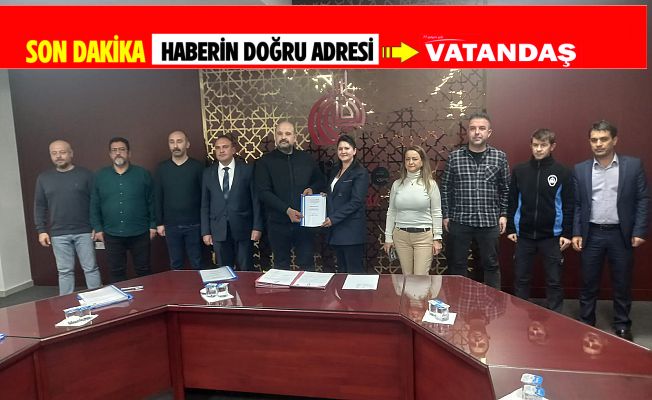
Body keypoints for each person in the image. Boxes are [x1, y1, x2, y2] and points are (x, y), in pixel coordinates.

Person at [572, 120, 649, 341]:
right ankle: (586, 321)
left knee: (622, 282)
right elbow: (577, 204)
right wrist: (576, 232)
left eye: (603, 139)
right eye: (594, 140)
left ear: (614, 140)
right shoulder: (580, 169)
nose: (598, 144)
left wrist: (640, 230)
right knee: (588, 282)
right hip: (592, 233)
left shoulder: (632, 166)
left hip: (621, 234)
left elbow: (643, 199)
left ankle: (622, 324)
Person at [506, 129, 573, 313]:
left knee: (554, 280)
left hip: (551, 236)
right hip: (524, 236)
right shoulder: (520, 171)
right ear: (531, 145)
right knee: (521, 279)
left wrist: (567, 233)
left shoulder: (562, 172)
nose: (538, 149)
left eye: (543, 145)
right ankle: (519, 314)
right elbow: (512, 201)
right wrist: (511, 228)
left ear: (552, 146)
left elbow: (568, 205)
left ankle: (556, 315)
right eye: (535, 145)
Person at [441, 112, 510, 289]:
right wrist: (446, 215)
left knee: (491, 265)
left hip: (489, 220)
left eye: (482, 128)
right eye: (473, 128)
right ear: (467, 132)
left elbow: (505, 188)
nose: (477, 132)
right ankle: (457, 302)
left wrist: (503, 214)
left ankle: (492, 304)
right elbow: (446, 188)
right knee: (457, 265)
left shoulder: (499, 157)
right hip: (460, 220)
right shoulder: (455, 157)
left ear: (489, 132)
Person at [255, 120, 325, 270]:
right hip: (277, 224)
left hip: (304, 223)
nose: (283, 137)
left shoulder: (306, 159)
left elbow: (320, 181)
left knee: (307, 265)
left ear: (294, 138)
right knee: (281, 266)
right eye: (280, 133)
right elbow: (263, 192)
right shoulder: (264, 162)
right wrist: (287, 210)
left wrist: (312, 188)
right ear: (275, 137)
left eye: (288, 134)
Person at [34, 140, 102, 295]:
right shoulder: (44, 178)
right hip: (58, 233)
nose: (58, 156)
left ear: (71, 153)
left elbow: (96, 202)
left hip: (85, 231)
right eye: (54, 153)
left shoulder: (86, 175)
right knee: (64, 271)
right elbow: (39, 206)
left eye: (62, 152)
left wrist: (96, 225)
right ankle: (66, 304)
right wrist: (41, 230)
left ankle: (98, 300)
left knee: (91, 268)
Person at [91, 137, 156, 282]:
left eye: (122, 150)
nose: (118, 153)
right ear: (110, 154)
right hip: (111, 233)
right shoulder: (100, 176)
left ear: (129, 153)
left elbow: (152, 201)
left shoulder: (143, 174)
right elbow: (94, 204)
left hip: (140, 231)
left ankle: (147, 297)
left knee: (143, 270)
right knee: (116, 271)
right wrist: (98, 228)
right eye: (114, 150)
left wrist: (153, 225)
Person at [201, 134, 262, 270]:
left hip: (243, 228)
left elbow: (256, 200)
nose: (221, 150)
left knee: (245, 269)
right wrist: (205, 231)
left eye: (225, 147)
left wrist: (257, 227)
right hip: (218, 229)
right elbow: (204, 205)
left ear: (233, 150)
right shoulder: (208, 173)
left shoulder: (247, 170)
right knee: (224, 271)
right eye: (217, 148)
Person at [384, 145, 443, 275]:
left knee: (420, 277)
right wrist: (388, 237)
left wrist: (437, 237)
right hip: (401, 237)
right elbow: (391, 212)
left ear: (422, 162)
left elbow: (436, 212)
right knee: (407, 276)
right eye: (407, 159)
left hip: (424, 237)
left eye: (415, 159)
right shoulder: (397, 184)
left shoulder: (430, 184)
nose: (411, 162)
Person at [155, 130, 204, 270]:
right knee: (175, 264)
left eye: (179, 141)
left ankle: (198, 285)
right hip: (171, 225)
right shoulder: (162, 168)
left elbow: (204, 197)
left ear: (187, 144)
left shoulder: (198, 167)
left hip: (195, 224)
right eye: (172, 142)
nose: (175, 145)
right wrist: (159, 222)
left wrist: (205, 224)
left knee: (197, 262)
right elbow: (158, 196)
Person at [321, 134, 369, 273]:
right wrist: (324, 197)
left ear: (354, 151)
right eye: (340, 148)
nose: (343, 151)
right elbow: (334, 194)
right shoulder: (335, 170)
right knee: (341, 272)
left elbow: (356, 201)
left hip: (351, 232)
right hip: (336, 231)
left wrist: (333, 219)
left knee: (354, 273)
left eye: (347, 148)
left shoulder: (360, 172)